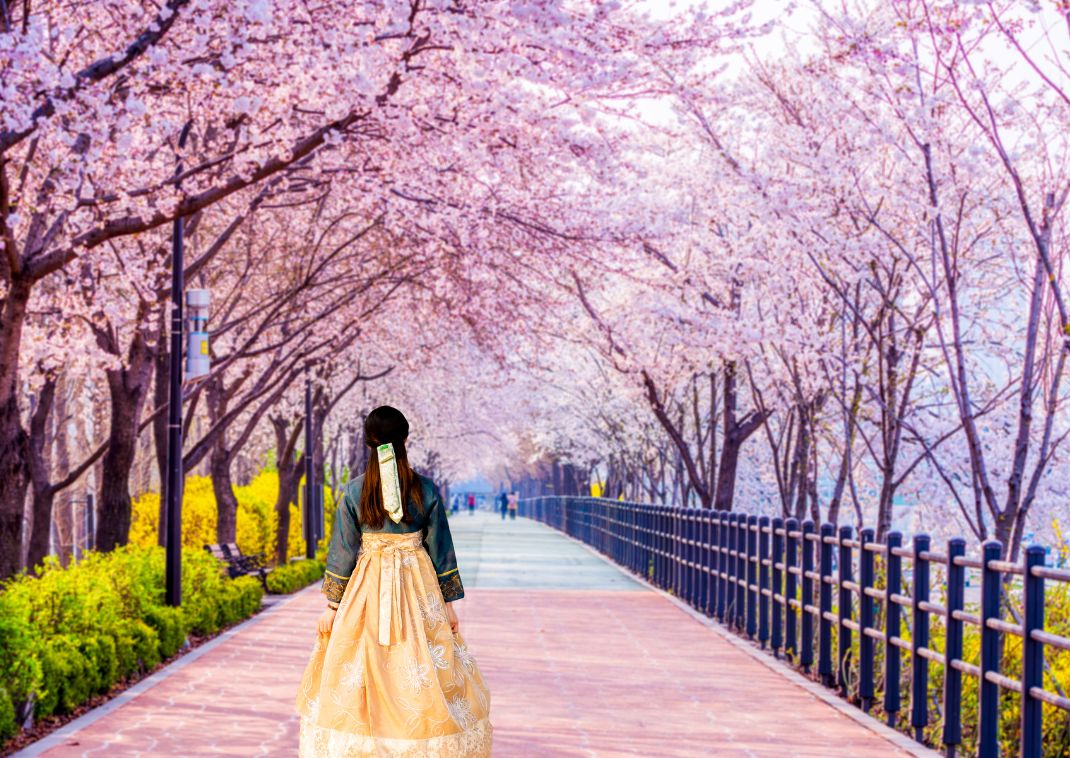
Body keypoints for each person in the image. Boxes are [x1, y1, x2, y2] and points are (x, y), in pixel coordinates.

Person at [295, 406, 492, 756]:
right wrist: (447, 604)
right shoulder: (425, 489)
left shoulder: (355, 491)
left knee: (365, 662)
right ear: (404, 440)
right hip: (418, 585)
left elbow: (343, 550)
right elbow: (440, 546)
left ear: (368, 443)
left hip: (366, 588)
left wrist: (332, 606)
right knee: (421, 663)